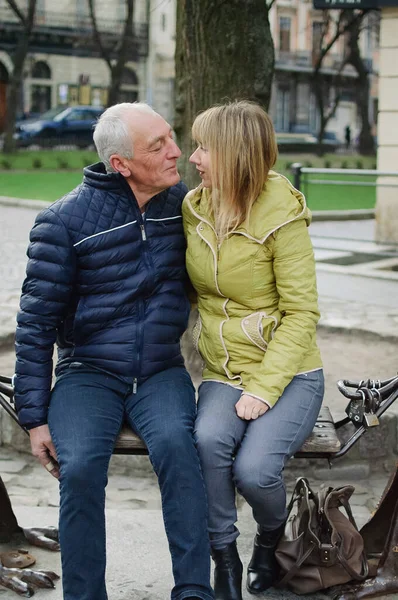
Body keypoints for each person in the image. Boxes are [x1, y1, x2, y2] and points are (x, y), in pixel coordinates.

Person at [13, 102, 214, 600]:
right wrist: (34, 418)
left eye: (172, 137)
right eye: (158, 146)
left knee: (180, 452)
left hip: (161, 370)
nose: (177, 153)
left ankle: (194, 590)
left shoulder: (185, 207)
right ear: (121, 164)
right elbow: (35, 325)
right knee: (78, 468)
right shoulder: (61, 222)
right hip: (88, 372)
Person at [182, 100, 324, 600]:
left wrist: (265, 389)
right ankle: (225, 559)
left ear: (236, 155)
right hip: (224, 370)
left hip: (289, 373)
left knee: (256, 471)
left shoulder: (282, 214)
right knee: (208, 444)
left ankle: (267, 539)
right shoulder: (194, 207)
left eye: (204, 147)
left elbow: (303, 313)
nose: (193, 157)